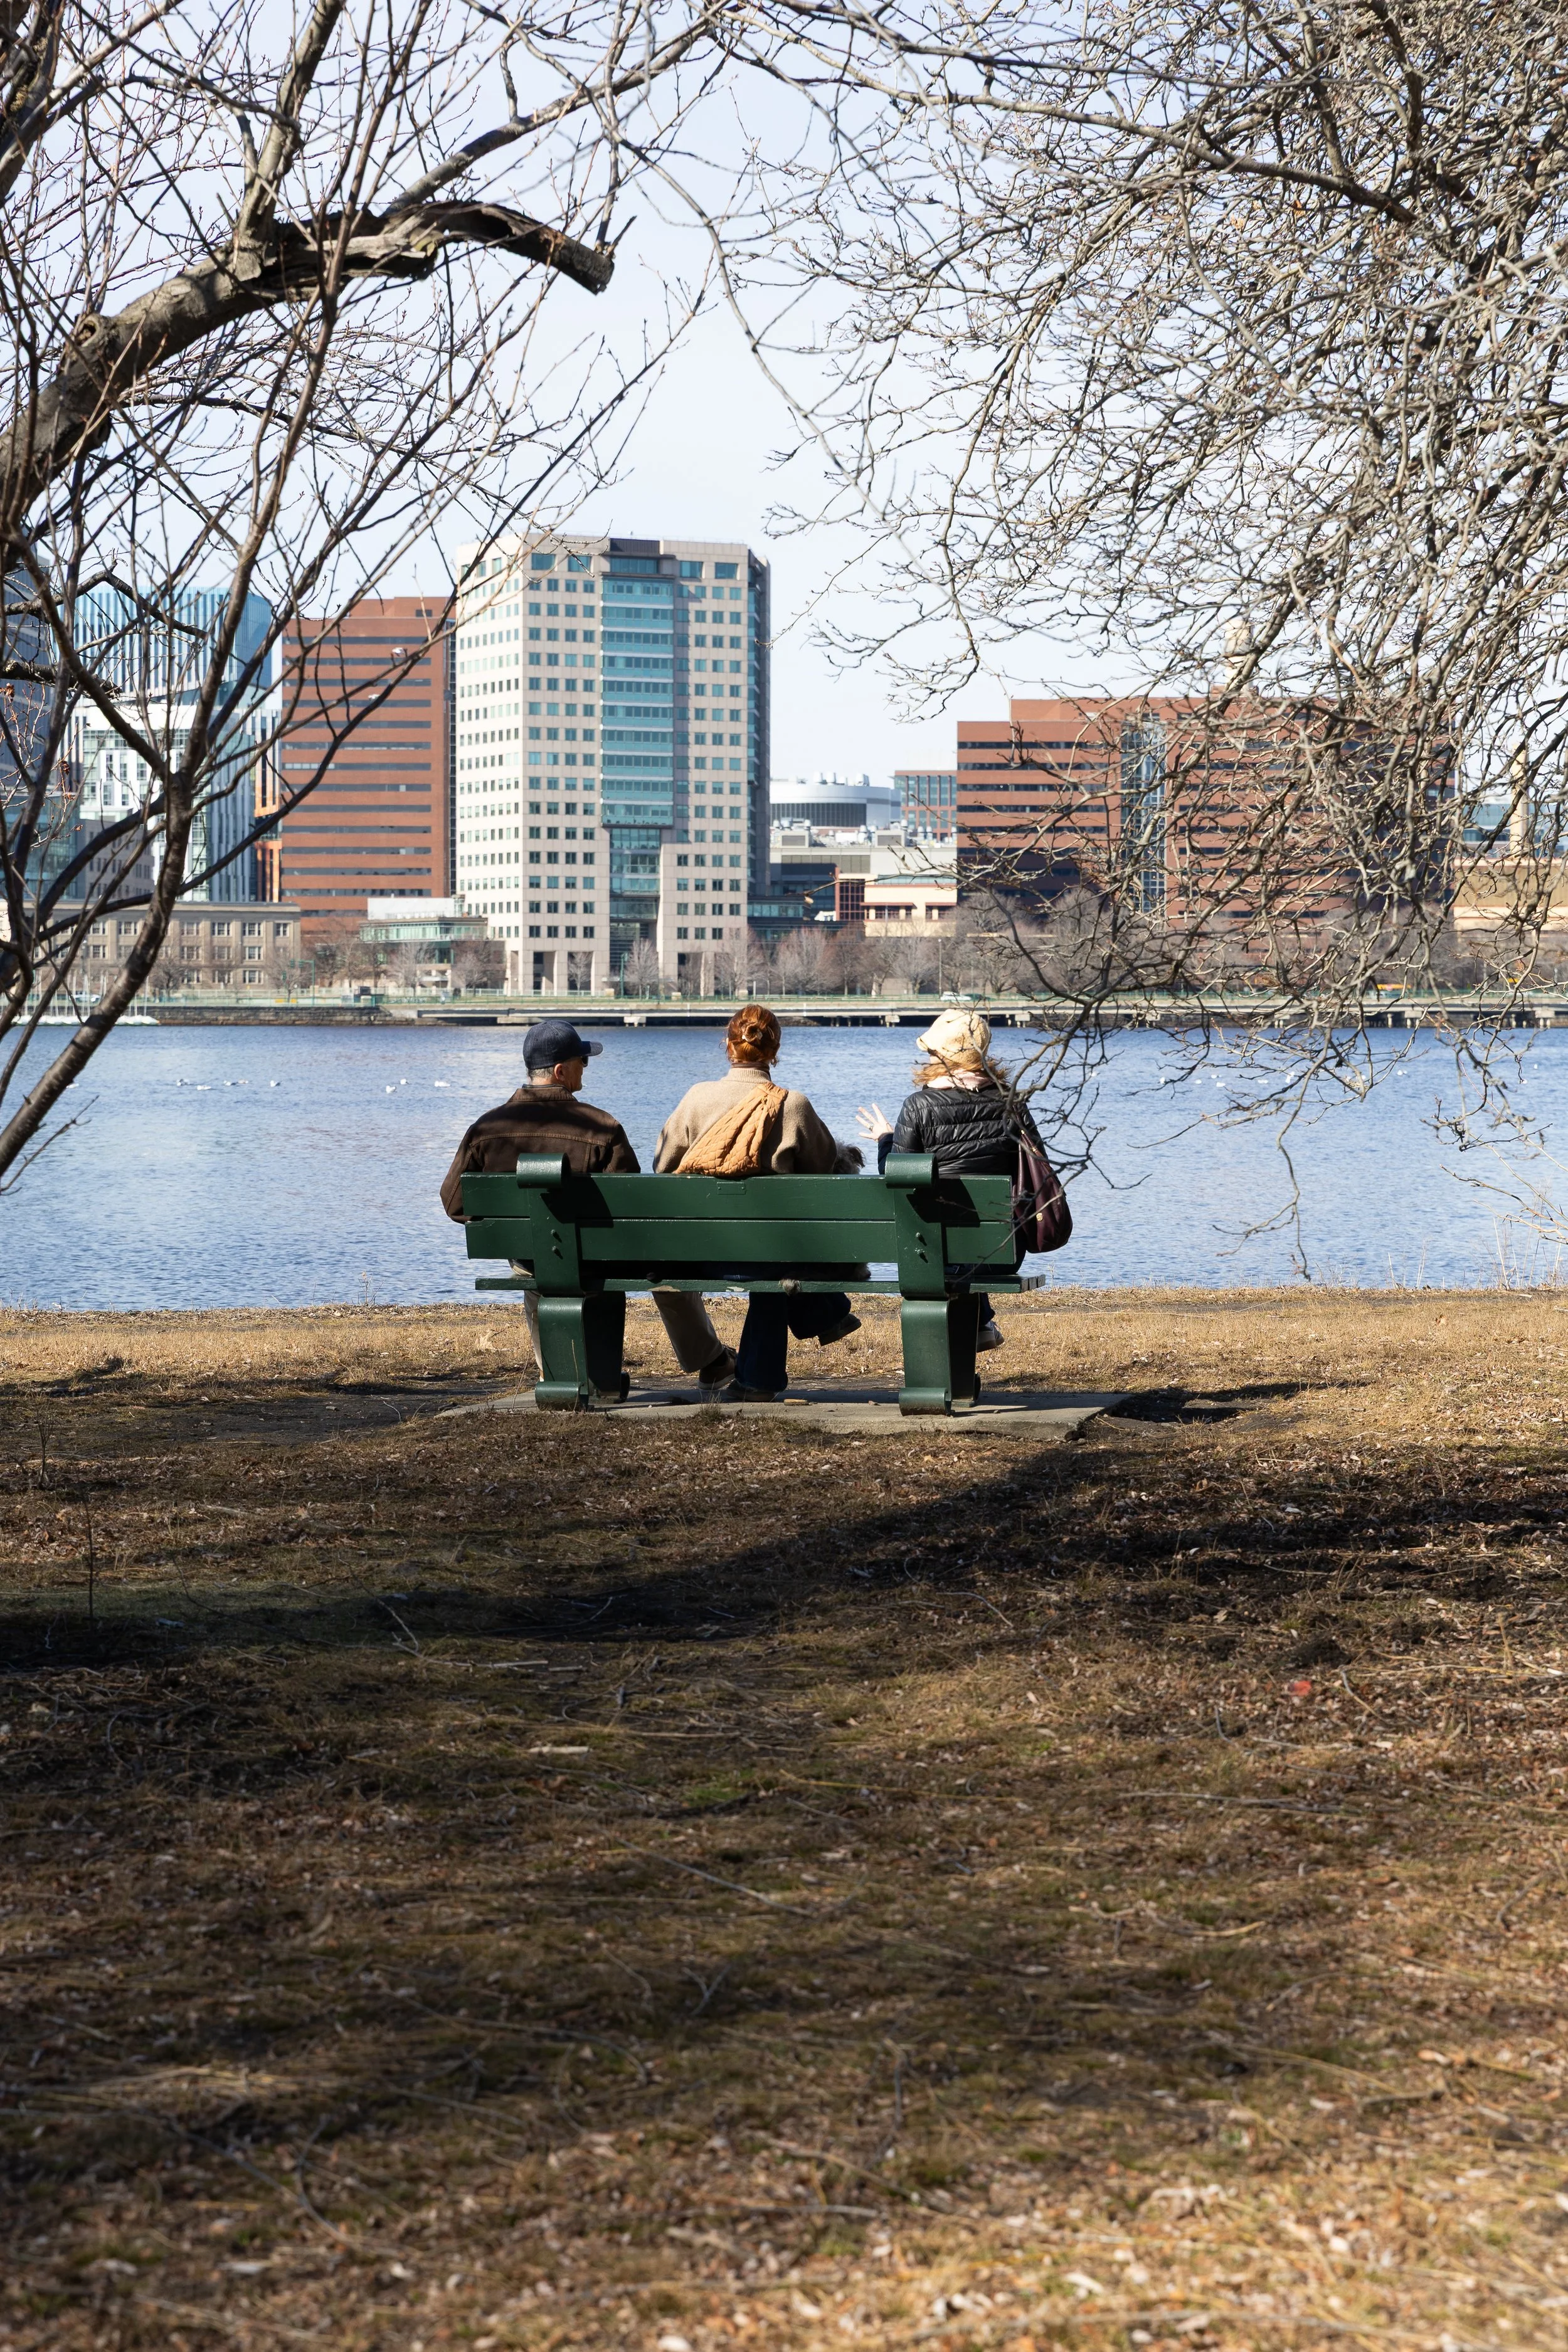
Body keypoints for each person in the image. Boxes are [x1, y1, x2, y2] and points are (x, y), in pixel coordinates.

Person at [440, 1017, 734, 1390]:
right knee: (665, 1259)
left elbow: (454, 1204)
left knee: (538, 1262)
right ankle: (710, 1360)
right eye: (584, 1062)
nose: (587, 1069)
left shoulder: (485, 1129)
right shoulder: (602, 1127)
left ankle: (555, 1370)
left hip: (530, 1259)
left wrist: (516, 1226)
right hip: (599, 1258)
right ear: (561, 1071)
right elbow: (635, 1208)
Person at [655, 1002, 861, 1402]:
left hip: (703, 1252)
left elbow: (664, 1166)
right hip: (775, 1253)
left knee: (772, 1260)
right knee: (776, 1266)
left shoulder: (696, 1098)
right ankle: (817, 1320)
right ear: (775, 1050)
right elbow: (826, 1177)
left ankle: (821, 1319)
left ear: (728, 1047)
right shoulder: (793, 1105)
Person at [856, 1006, 1045, 1353]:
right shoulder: (1012, 1104)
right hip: (1002, 1248)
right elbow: (1038, 1165)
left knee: (945, 1236)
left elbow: (895, 1175)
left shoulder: (919, 1106)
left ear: (939, 1055)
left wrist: (886, 1138)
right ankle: (980, 1323)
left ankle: (974, 1330)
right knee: (970, 1235)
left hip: (929, 1249)